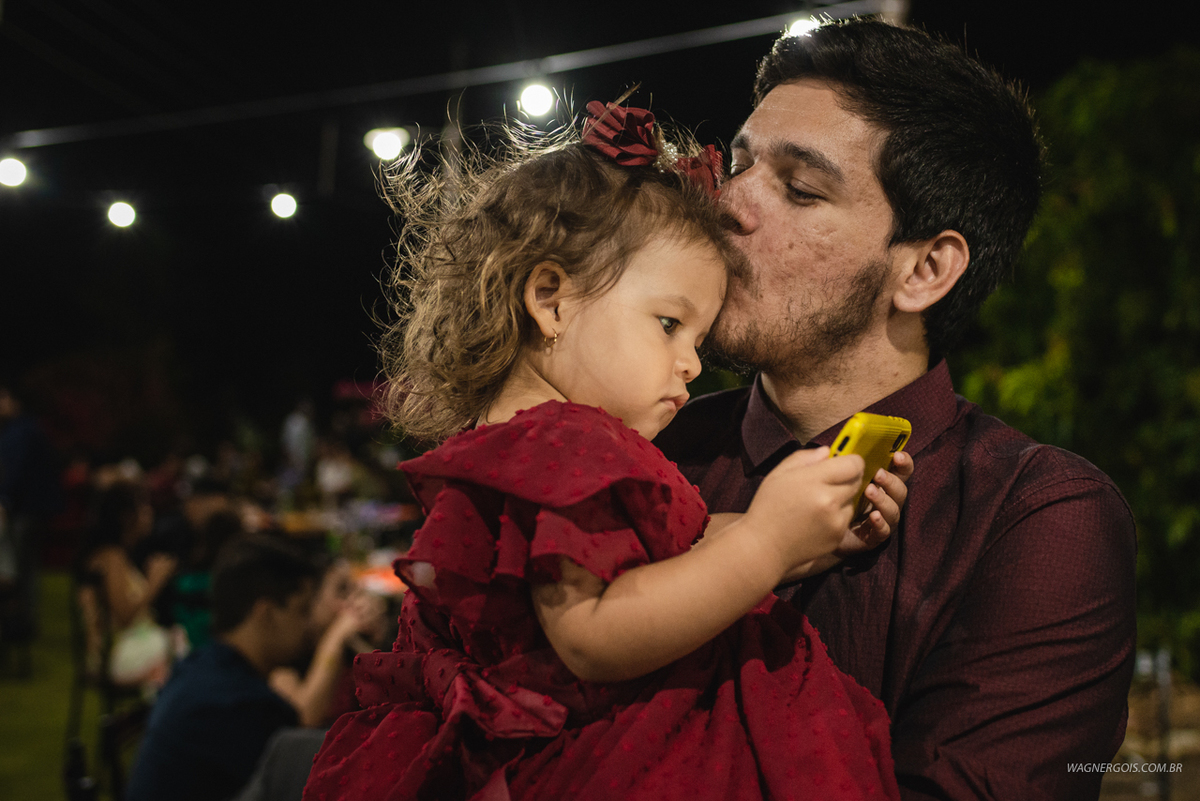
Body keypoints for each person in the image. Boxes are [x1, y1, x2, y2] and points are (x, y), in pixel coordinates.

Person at [303, 101, 912, 801]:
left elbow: (669, 552)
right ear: (551, 300)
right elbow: (592, 631)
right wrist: (769, 544)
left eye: (698, 339)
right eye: (669, 323)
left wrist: (812, 535)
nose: (691, 364)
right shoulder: (564, 441)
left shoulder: (532, 446)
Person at [654, 18, 1137, 801]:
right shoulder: (644, 447)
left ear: (925, 270)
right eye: (736, 164)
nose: (728, 203)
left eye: (800, 189)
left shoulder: (1038, 519)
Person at [126, 536, 321, 801]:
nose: (310, 626)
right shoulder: (241, 707)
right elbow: (300, 774)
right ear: (265, 613)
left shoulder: (200, 665)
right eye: (302, 610)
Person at [76, 480, 175, 688]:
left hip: (124, 647)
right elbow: (124, 616)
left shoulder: (116, 555)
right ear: (127, 516)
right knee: (181, 646)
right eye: (144, 508)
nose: (150, 513)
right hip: (118, 654)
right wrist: (154, 583)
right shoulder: (111, 557)